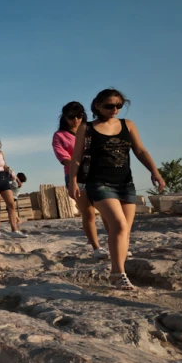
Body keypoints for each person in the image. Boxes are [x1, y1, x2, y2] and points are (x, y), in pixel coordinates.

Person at [69, 88, 165, 291]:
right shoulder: (86, 129)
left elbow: (140, 150)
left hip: (125, 183)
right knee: (119, 225)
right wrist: (73, 181)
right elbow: (77, 156)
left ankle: (117, 273)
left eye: (119, 106)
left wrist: (154, 172)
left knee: (123, 231)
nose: (114, 109)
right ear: (97, 105)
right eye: (109, 106)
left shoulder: (127, 125)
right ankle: (117, 273)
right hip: (99, 183)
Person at [53, 101, 109, 259]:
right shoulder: (59, 136)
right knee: (88, 212)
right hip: (76, 175)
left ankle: (116, 243)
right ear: (64, 117)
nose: (76, 120)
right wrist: (81, 162)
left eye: (79, 116)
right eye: (71, 117)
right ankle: (97, 247)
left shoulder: (91, 130)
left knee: (107, 211)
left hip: (98, 174)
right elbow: (64, 158)